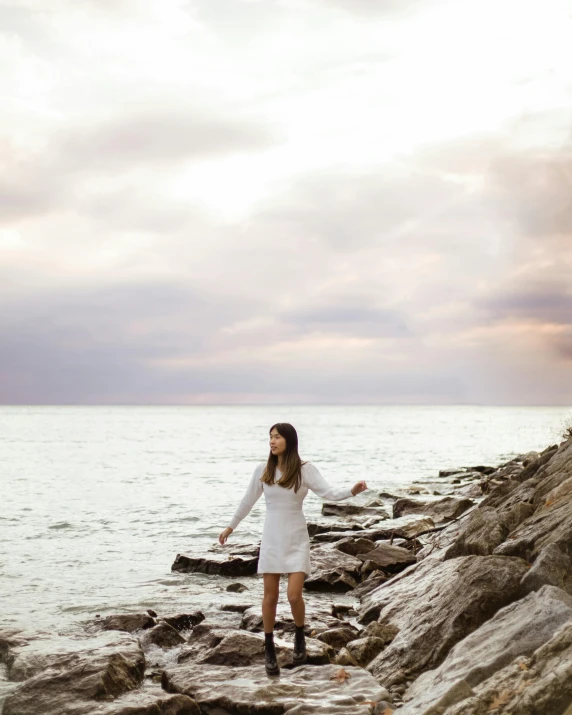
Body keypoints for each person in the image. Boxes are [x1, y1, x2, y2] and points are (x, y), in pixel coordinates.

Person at [218, 422, 367, 677]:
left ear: (289, 440)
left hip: (297, 539)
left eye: (277, 437)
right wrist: (230, 527)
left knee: (294, 595)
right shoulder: (263, 470)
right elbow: (247, 501)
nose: (272, 441)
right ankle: (269, 648)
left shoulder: (304, 470)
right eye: (270, 437)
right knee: (270, 597)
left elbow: (328, 492)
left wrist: (352, 491)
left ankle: (300, 635)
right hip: (272, 539)